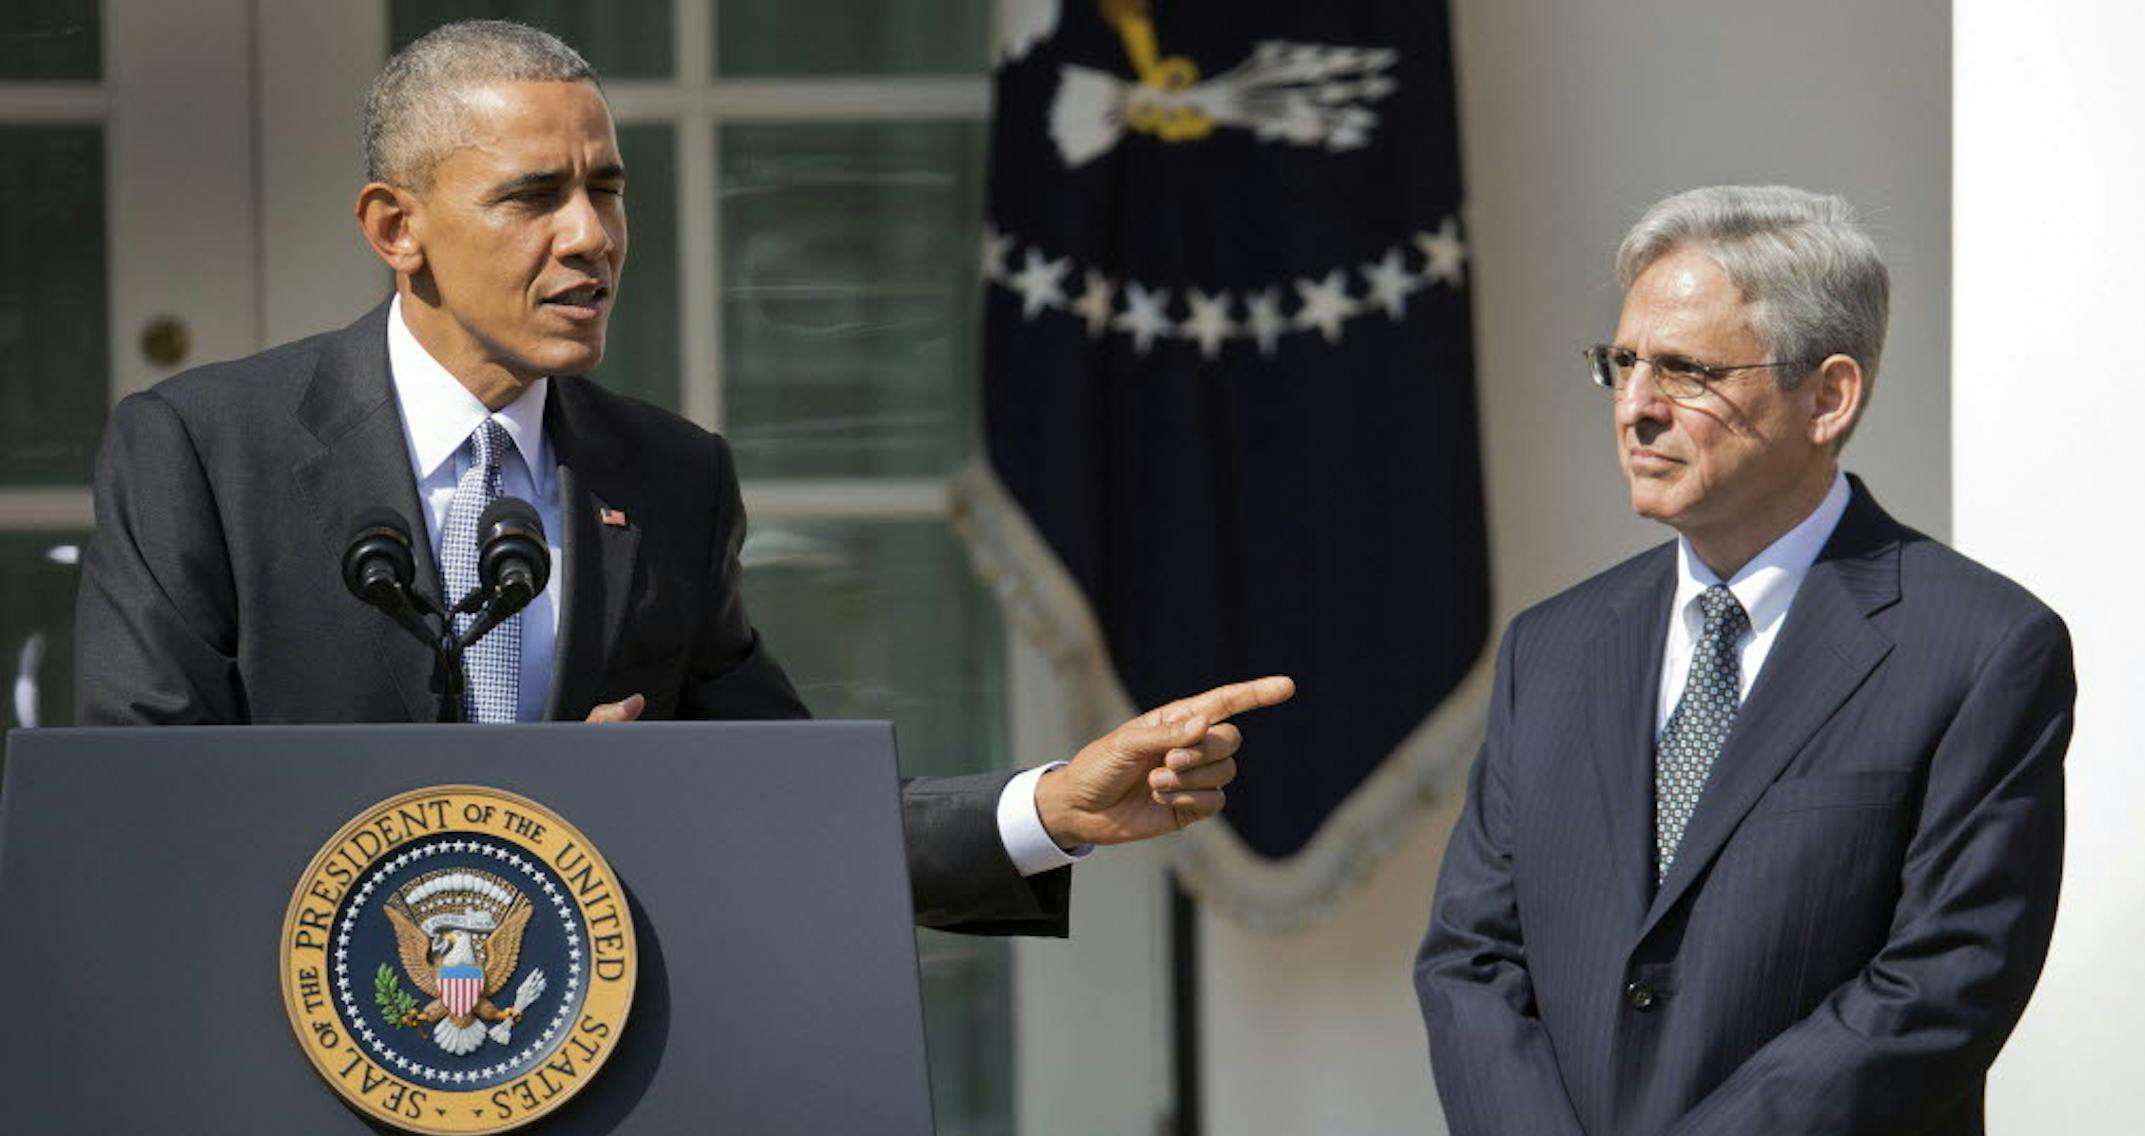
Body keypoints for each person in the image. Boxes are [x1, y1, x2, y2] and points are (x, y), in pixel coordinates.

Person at [72, 19, 1291, 935]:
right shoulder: (199, 449)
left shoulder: (669, 476)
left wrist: (1052, 810)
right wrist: (530, 808)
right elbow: (144, 826)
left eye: (605, 188)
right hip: (292, 1088)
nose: (592, 235)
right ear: (398, 228)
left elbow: (783, 803)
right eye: (532, 196)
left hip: (581, 1110)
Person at [1414, 185, 2072, 1136]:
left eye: (1686, 370)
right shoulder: (1554, 649)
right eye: (1619, 363)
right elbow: (1471, 959)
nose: (1637, 407)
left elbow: (1944, 980)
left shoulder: (1981, 645)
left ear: (1828, 395)